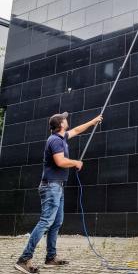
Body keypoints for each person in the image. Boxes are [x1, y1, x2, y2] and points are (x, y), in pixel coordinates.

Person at [15, 111, 103, 274]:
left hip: (57, 186)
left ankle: (51, 257)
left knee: (56, 222)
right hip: (51, 186)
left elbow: (76, 130)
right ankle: (24, 259)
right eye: (65, 118)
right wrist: (76, 162)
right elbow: (60, 161)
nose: (67, 119)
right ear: (61, 124)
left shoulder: (61, 137)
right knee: (46, 221)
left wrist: (93, 122)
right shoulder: (55, 141)